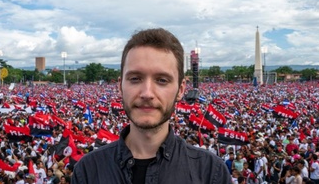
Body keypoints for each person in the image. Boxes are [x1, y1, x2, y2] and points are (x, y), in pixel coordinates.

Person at [71, 28, 231, 183]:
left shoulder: (210, 172)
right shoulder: (87, 170)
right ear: (120, 86)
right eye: (135, 78)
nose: (147, 93)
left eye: (162, 80)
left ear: (181, 90)